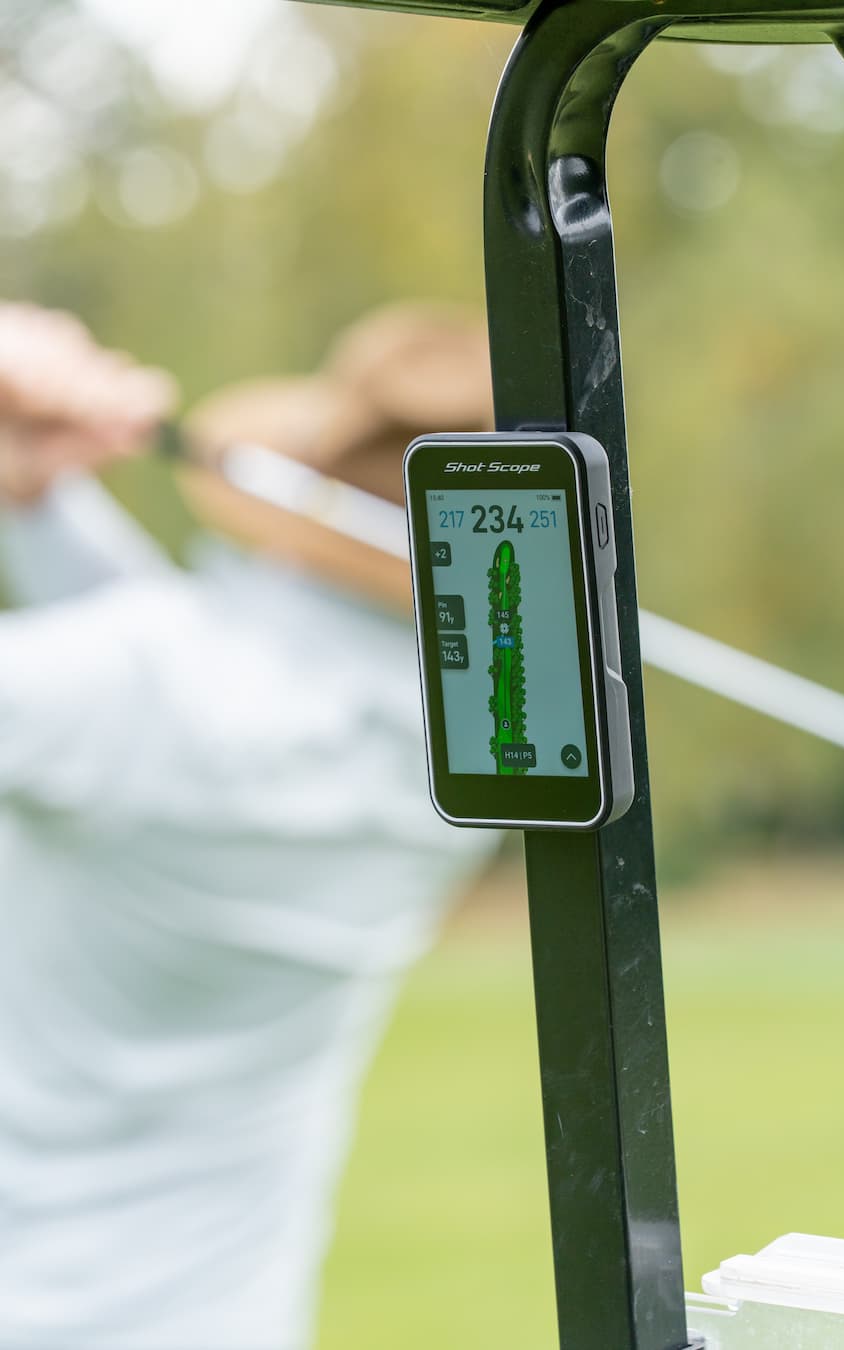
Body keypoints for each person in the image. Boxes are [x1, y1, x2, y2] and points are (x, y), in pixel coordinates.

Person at [0, 301, 497, 1350]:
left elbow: (150, 688)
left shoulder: (142, 687)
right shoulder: (468, 767)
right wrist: (39, 502)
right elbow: (179, 696)